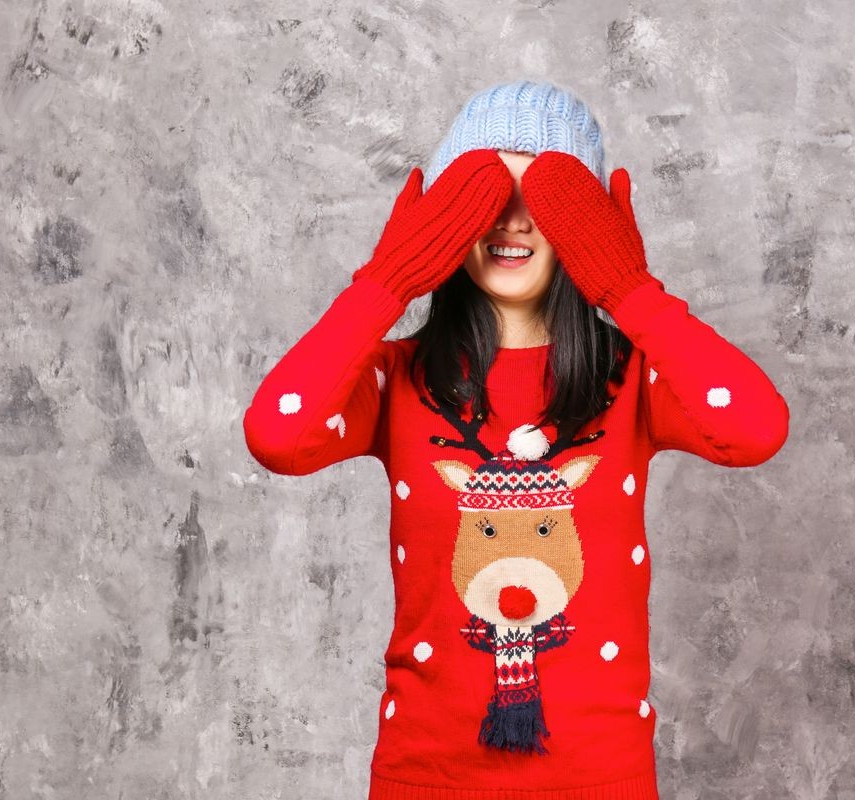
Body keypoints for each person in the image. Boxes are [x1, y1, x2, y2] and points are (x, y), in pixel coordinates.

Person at [243, 80, 790, 800]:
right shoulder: (398, 379)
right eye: (483, 193)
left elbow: (755, 428)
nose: (514, 221)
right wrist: (387, 281)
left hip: (601, 775)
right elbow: (277, 434)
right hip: (425, 774)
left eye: (549, 197)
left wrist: (629, 289)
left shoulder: (634, 381)